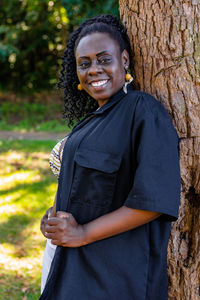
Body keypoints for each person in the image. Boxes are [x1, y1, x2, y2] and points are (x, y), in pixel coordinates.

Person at [40, 14, 181, 300]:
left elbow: (153, 201)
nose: (94, 69)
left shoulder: (141, 111)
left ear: (124, 60)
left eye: (104, 59)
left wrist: (82, 233)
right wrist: (52, 218)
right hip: (69, 268)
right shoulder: (90, 122)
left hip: (114, 277)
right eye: (85, 63)